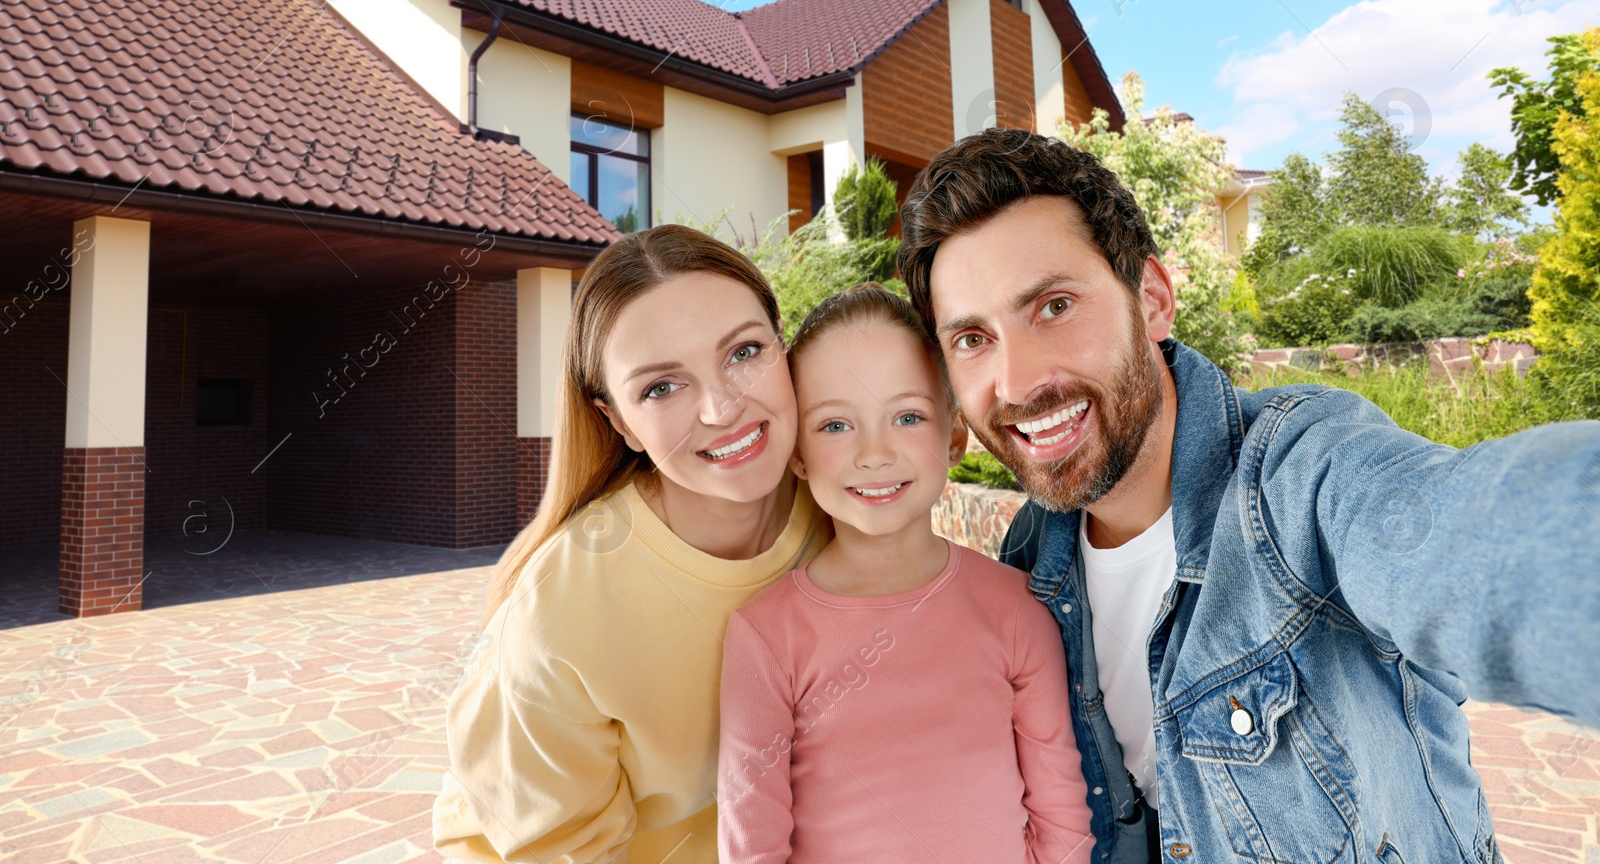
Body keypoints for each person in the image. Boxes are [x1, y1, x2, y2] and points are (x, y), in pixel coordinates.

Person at [896, 128, 1600, 863]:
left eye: (1053, 307)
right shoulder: (1033, 559)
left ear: (1152, 300)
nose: (1016, 382)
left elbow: (1479, 539)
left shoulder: (1303, 480)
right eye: (972, 339)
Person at [432, 225, 830, 864]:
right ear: (619, 421)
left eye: (744, 352)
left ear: (784, 350)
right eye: (661, 388)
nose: (721, 408)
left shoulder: (845, 508)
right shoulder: (562, 607)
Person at [717, 283, 1095, 864]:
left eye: (907, 416)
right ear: (797, 453)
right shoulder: (765, 636)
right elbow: (753, 845)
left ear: (954, 436)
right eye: (835, 425)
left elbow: (1061, 817)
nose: (874, 452)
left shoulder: (1017, 609)